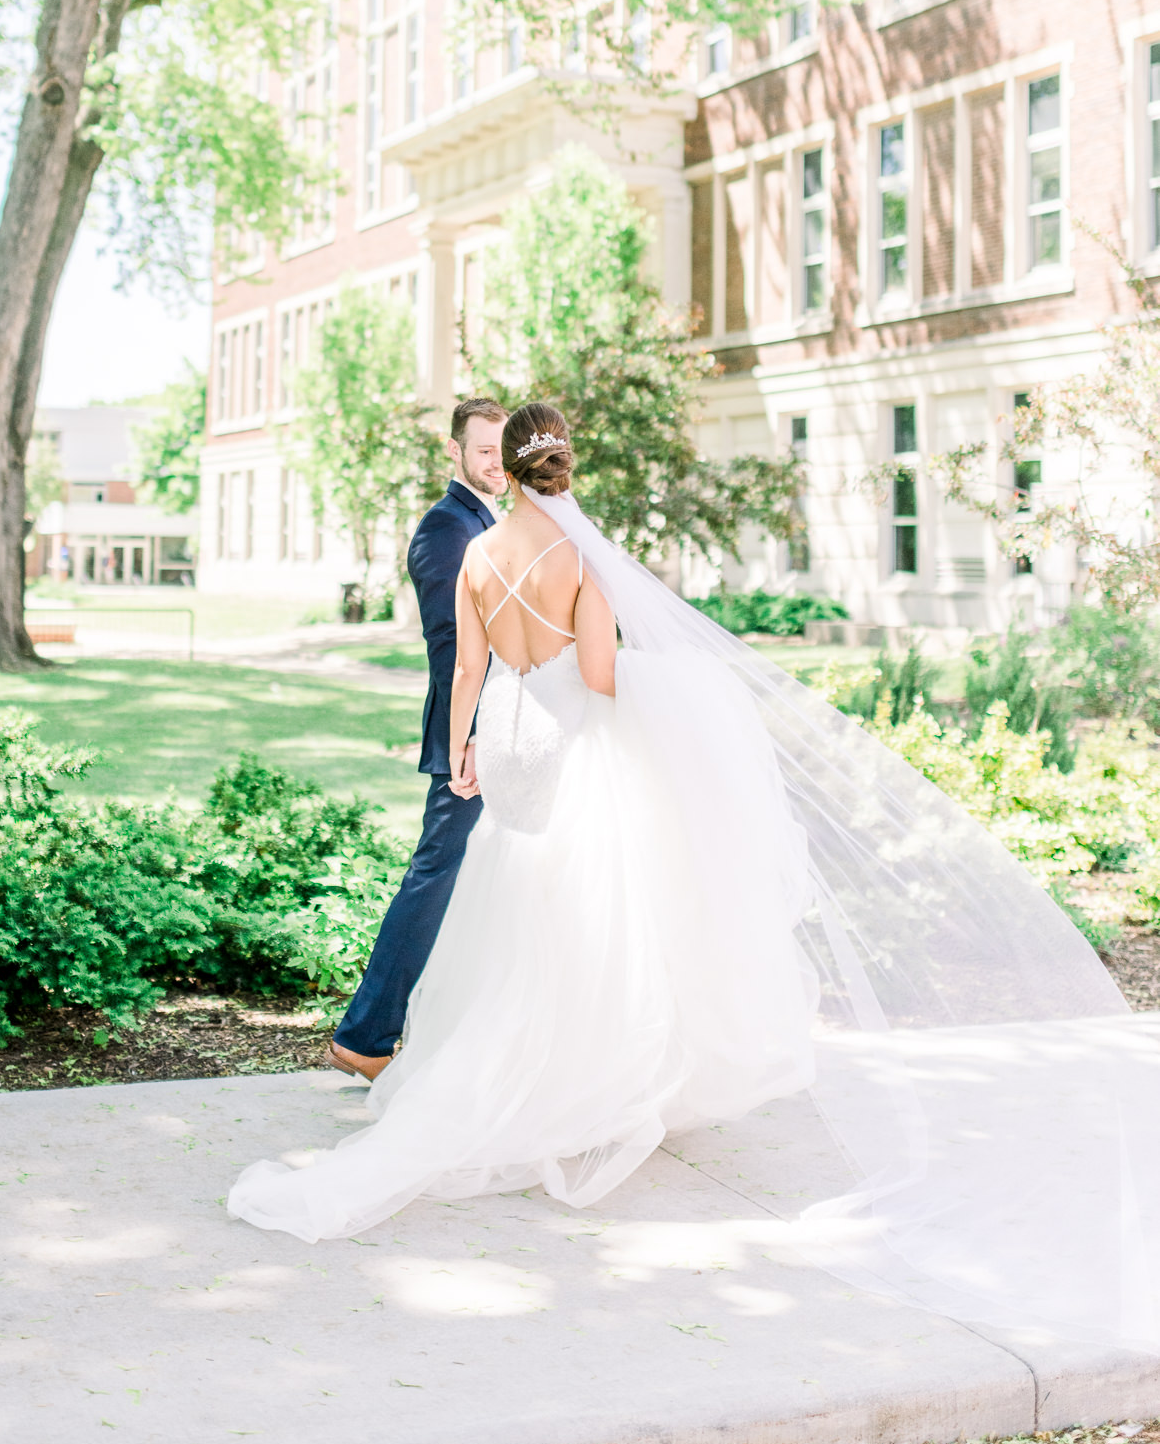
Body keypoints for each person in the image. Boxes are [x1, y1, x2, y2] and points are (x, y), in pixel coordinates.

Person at [232, 401, 1160, 1356]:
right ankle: (586, 1083)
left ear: (502, 471)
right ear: (562, 467)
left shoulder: (477, 555)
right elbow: (598, 678)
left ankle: (509, 1070)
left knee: (519, 920)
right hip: (575, 749)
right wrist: (679, 700)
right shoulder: (578, 560)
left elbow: (467, 668)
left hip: (511, 747)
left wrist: (464, 746)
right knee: (596, 919)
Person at [327, 397, 507, 1083]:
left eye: (502, 450)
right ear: (454, 451)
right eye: (484, 450)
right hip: (472, 737)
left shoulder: (489, 520)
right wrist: (472, 738)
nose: (495, 462)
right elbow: (454, 647)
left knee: (480, 878)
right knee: (435, 875)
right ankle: (366, 1037)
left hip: (506, 729)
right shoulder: (444, 528)